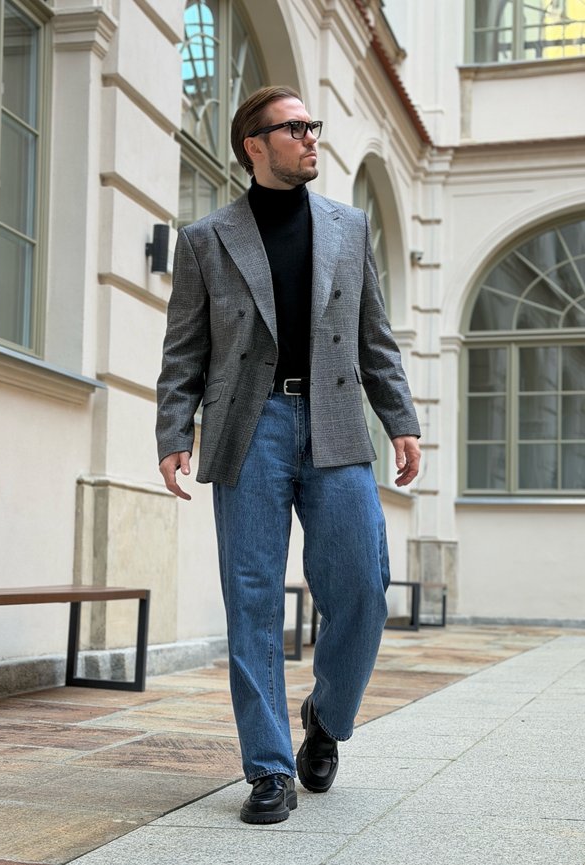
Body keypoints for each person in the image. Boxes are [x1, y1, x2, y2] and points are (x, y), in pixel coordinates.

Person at [156, 85, 421, 825]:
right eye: (296, 127)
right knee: (252, 597)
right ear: (255, 144)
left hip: (338, 423)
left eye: (312, 125)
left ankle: (327, 717)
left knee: (365, 586)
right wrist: (174, 431)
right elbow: (185, 349)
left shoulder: (348, 226)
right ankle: (269, 766)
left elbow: (376, 335)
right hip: (251, 425)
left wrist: (399, 419)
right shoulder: (206, 238)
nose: (311, 137)